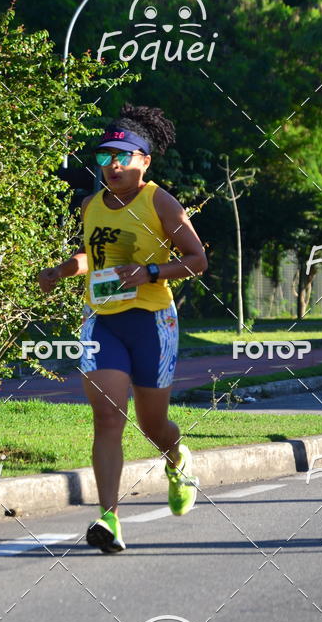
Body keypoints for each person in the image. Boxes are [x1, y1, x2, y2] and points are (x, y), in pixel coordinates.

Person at [38, 104, 208, 552]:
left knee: (153, 426)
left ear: (144, 161)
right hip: (102, 322)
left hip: (152, 321)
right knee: (108, 416)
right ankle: (109, 520)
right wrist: (61, 270)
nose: (112, 165)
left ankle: (176, 458)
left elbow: (197, 261)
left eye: (122, 156)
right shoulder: (92, 205)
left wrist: (150, 273)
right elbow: (92, 259)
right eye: (105, 157)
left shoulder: (161, 201)